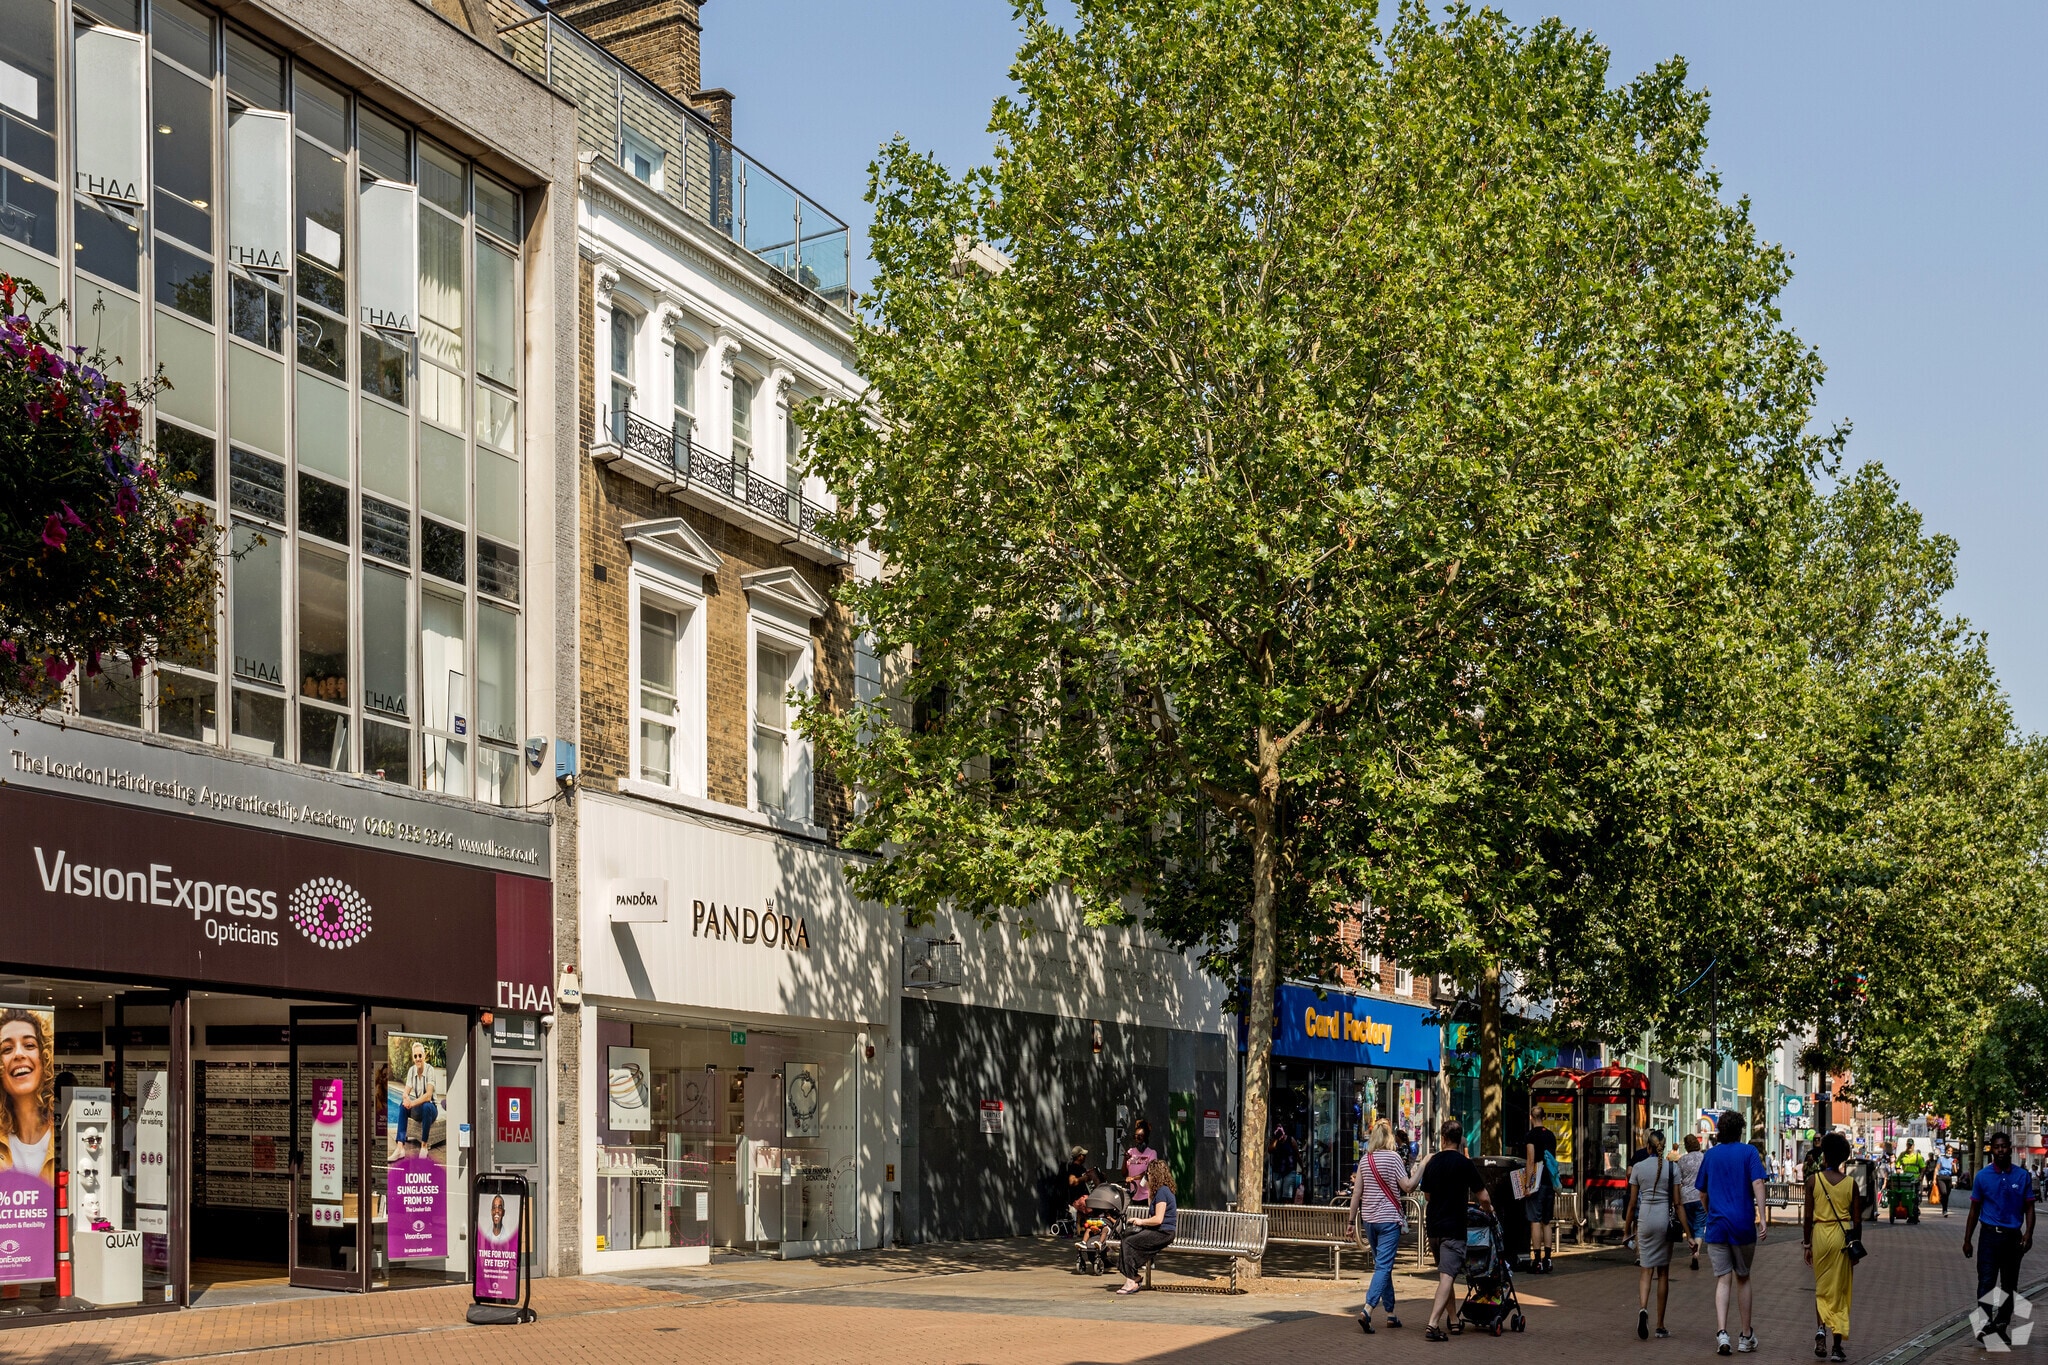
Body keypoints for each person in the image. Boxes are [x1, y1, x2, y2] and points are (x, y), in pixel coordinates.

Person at [1697, 1109, 1768, 1356]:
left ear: (1720, 1131)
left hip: (1717, 1226)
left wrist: (1710, 1213)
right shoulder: (1749, 1152)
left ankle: (1722, 1333)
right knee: (1743, 1276)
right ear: (1740, 1131)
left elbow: (1702, 1193)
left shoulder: (1711, 1155)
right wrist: (1763, 1217)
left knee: (1722, 1279)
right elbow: (1758, 1183)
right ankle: (1745, 1335)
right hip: (1743, 1224)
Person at [1419, 1118, 1490, 1342]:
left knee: (1444, 1274)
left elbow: (1427, 1195)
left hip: (1434, 1227)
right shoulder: (1465, 1164)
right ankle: (1432, 1324)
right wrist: (1489, 1211)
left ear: (1442, 1138)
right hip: (1454, 1227)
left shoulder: (1432, 1162)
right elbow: (1483, 1196)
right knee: (1448, 1276)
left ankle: (1454, 1320)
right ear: (1460, 1140)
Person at [1964, 1131, 2038, 1344]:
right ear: (1991, 1149)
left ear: (2009, 1147)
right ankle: (1984, 1325)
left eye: (2004, 1146)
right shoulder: (1983, 1177)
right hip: (1989, 1236)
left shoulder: (2022, 1176)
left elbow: (2029, 1208)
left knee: (2009, 1285)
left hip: (2013, 1238)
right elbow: (1974, 1210)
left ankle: (2001, 1324)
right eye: (1997, 1147)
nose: (2001, 1150)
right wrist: (1967, 1239)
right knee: (1986, 1282)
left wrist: (2028, 1233)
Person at [1350, 1118, 1418, 1333]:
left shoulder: (1365, 1160)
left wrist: (1351, 1221)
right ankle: (1368, 1309)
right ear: (1390, 1138)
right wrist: (1423, 1167)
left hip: (1369, 1220)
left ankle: (1390, 1313)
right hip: (1389, 1220)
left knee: (1383, 1265)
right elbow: (1407, 1186)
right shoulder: (1394, 1158)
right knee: (1384, 1266)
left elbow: (1357, 1193)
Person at [1626, 1130, 1690, 1340]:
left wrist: (1627, 1230)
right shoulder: (1673, 1168)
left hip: (1645, 1220)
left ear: (1648, 1147)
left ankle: (1643, 1309)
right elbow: (1678, 1204)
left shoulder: (1638, 1167)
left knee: (1646, 1270)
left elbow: (1632, 1203)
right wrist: (1688, 1234)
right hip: (1664, 1220)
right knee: (1663, 1273)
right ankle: (1660, 1325)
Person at [1804, 1130, 1861, 1363]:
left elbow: (1807, 1218)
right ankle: (1837, 1347)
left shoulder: (1812, 1180)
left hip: (1819, 1234)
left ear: (1825, 1156)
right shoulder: (1851, 1184)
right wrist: (1855, 1246)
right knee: (1840, 1291)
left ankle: (1820, 1330)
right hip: (1841, 1238)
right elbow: (1857, 1220)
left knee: (1822, 1286)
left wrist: (1807, 1244)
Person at [0, 1010, 56, 1184]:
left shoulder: (60, 1132)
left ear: (44, 1057)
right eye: (7, 1049)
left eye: (29, 1045)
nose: (18, 1054)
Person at [1116, 1158, 1177, 1294]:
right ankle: (1133, 1276)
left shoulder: (1163, 1192)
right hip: (1159, 1230)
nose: (1146, 1176)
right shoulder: (1159, 1191)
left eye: (1148, 1173)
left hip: (1163, 1232)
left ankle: (1131, 1280)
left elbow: (1158, 1219)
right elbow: (1152, 1210)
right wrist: (1149, 1189)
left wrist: (1141, 1221)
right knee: (1127, 1237)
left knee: (1129, 1242)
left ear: (1155, 1174)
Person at [1523, 1117, 1559, 1273]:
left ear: (1531, 1118)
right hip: (1549, 1182)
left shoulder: (1531, 1135)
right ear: (1543, 1117)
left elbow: (1531, 1160)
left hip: (1536, 1183)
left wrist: (1527, 1185)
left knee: (1535, 1221)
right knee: (1546, 1221)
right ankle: (1548, 1259)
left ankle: (1537, 1260)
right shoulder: (1550, 1135)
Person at [399, 1041, 439, 1157]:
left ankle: (424, 1146)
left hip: (431, 1109)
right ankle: (400, 1147)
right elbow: (406, 1091)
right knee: (402, 1105)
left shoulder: (430, 1070)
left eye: (420, 1055)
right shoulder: (412, 1070)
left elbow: (428, 1096)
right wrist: (406, 1099)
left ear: (424, 1056)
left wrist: (411, 1104)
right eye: (415, 1056)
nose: (418, 1059)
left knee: (426, 1106)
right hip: (418, 1108)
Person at [1678, 1133, 1708, 1272]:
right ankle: (1696, 1253)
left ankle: (1692, 1246)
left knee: (1689, 1226)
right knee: (1700, 1225)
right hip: (1700, 1195)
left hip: (1686, 1197)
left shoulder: (1682, 1160)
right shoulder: (1704, 1158)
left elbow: (1678, 1180)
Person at [1125, 1120, 1159, 1205]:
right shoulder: (1131, 1152)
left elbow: (1149, 1172)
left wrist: (1133, 1178)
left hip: (1146, 1195)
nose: (1137, 1139)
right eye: (1135, 1137)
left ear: (1145, 1137)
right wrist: (1125, 1160)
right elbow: (1124, 1173)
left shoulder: (1152, 1153)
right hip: (1133, 1194)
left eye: (1140, 1136)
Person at [1268, 1123, 1302, 1204]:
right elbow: (1270, 1150)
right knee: (1279, 1195)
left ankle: (1286, 1214)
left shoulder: (1291, 1140)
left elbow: (1297, 1155)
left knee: (1287, 1195)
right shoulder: (1274, 1141)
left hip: (1289, 1171)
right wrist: (1276, 1138)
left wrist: (1302, 1168)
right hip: (1277, 1171)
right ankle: (1280, 1212)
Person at [1936, 1147, 1956, 1217]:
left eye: (1951, 1151)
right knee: (1944, 1193)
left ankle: (1945, 1208)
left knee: (1947, 1195)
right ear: (1945, 1151)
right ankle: (1945, 1210)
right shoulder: (1941, 1158)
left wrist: (1954, 1165)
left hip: (1949, 1178)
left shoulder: (1952, 1160)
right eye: (1948, 1150)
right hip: (1941, 1177)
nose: (1949, 1152)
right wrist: (1934, 1179)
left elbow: (1955, 1171)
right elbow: (1937, 1168)